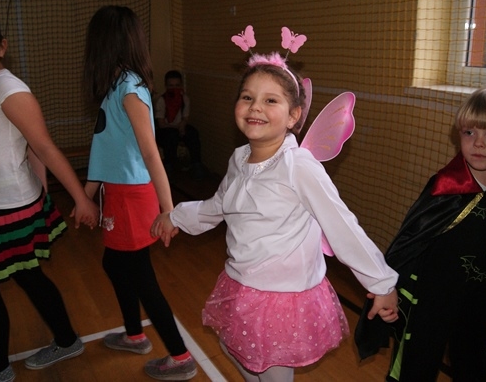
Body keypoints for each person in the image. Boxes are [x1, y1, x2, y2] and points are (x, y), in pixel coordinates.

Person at [152, 50, 399, 381]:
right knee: (231, 346)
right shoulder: (239, 158)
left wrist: (381, 282)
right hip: (242, 284)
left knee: (271, 373)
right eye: (247, 97)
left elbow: (343, 228)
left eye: (271, 100)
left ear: (294, 115)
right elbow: (218, 205)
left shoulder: (299, 167)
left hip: (284, 297)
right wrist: (176, 217)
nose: (255, 107)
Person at [0, 6, 99, 382]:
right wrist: (40, 191)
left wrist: (81, 199)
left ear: (2, 46)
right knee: (28, 275)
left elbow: (43, 145)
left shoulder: (6, 87)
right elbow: (26, 147)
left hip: (0, 210)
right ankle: (66, 340)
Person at [355, 84, 486, 381]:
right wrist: (388, 288)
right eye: (469, 132)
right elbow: (409, 244)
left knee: (473, 368)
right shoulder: (444, 187)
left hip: (482, 305)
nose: (478, 143)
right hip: (431, 300)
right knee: (416, 367)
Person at [78, 5, 197, 381]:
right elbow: (107, 150)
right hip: (119, 193)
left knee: (140, 276)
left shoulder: (129, 89)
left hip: (133, 197)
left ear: (104, 43)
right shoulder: (115, 87)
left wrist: (168, 211)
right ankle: (134, 335)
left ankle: (180, 357)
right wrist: (86, 194)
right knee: (115, 265)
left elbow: (150, 153)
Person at [154, 70, 204, 179]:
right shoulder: (161, 100)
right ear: (166, 86)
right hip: (165, 130)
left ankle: (196, 164)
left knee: (193, 133)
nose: (174, 88)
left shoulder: (184, 99)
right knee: (171, 136)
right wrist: (178, 128)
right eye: (171, 86)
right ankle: (169, 166)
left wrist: (182, 126)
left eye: (177, 85)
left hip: (179, 127)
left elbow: (185, 118)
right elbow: (161, 124)